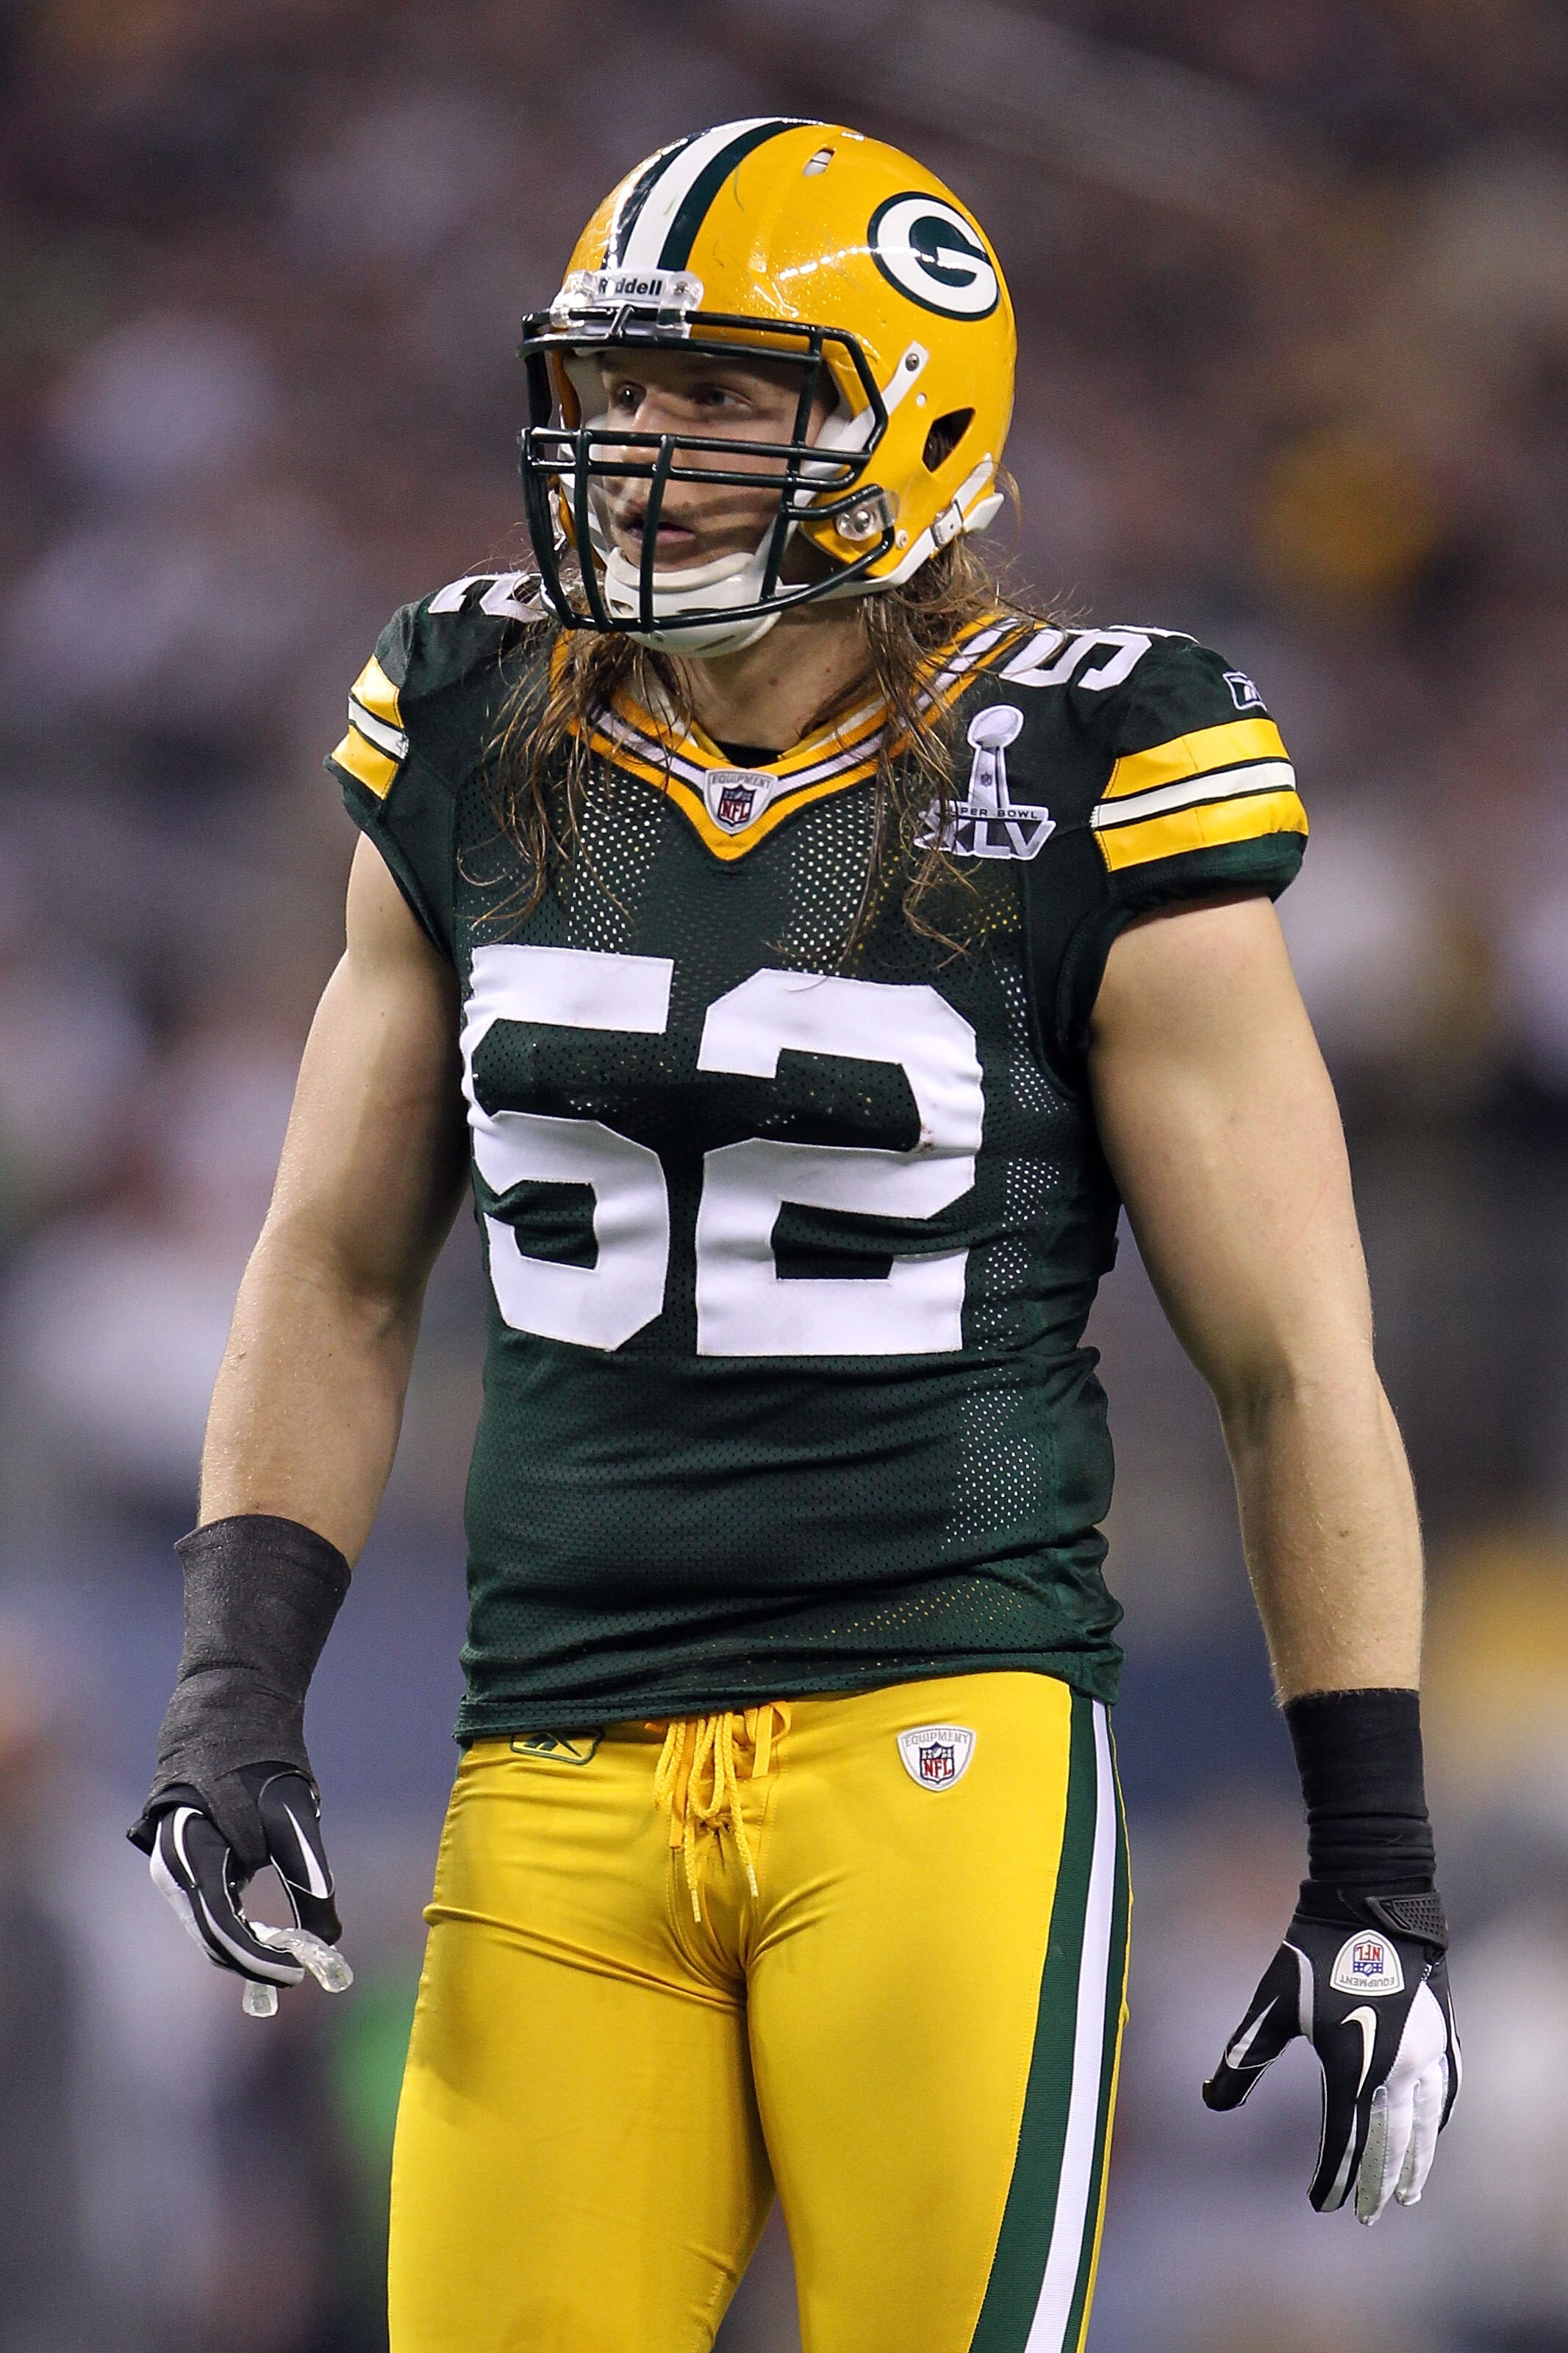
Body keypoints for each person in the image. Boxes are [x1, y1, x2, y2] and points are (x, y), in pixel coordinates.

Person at [131, 118, 1460, 2353]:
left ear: (905, 413)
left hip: (934, 1736)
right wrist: (231, 1684)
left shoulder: (1103, 761)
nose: (637, 447)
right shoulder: (474, 719)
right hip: (549, 1749)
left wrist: (1381, 1861)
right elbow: (336, 1263)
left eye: (720, 394)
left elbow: (1295, 1362)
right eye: (613, 389)